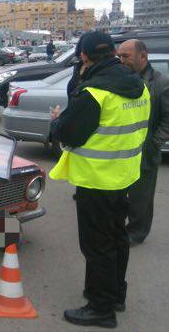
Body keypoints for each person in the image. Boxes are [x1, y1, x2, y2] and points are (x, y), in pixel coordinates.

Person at [49, 31, 150, 328]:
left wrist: (57, 120)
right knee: (118, 238)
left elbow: (68, 134)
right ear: (113, 52)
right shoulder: (138, 85)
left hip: (97, 181)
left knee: (98, 246)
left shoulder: (95, 92)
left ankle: (101, 307)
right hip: (124, 176)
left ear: (83, 56)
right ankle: (116, 294)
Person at [117, 39, 169, 245]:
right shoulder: (120, 79)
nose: (121, 60)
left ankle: (137, 232)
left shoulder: (161, 83)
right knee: (119, 193)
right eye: (119, 56)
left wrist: (154, 143)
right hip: (121, 149)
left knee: (141, 197)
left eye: (125, 56)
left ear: (143, 57)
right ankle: (119, 227)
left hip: (145, 149)